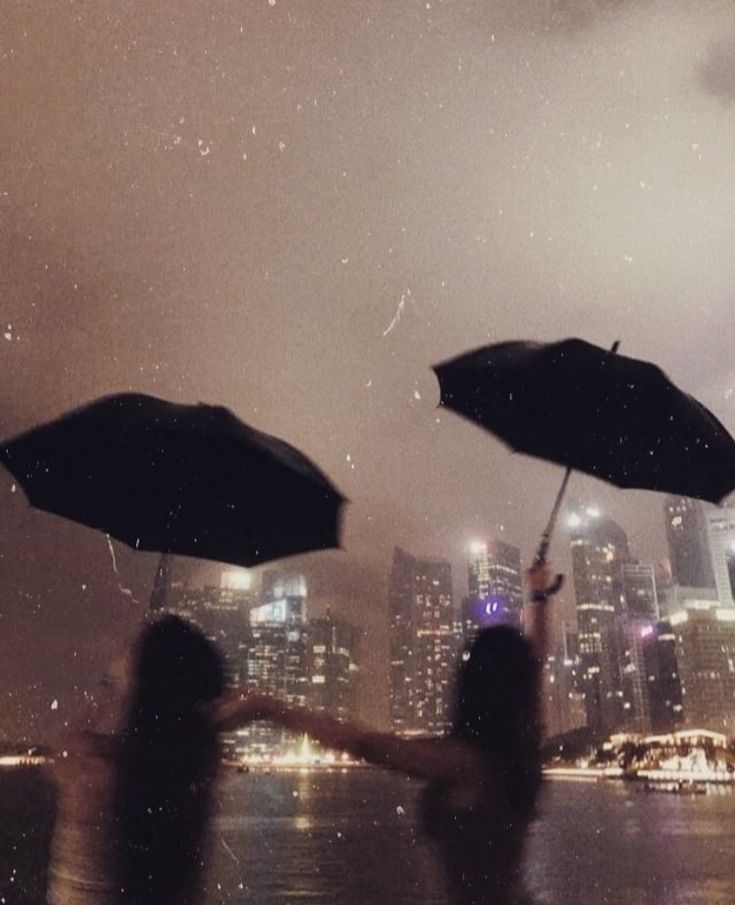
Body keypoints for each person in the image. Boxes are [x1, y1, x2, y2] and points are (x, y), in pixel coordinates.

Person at [219, 562, 560, 905]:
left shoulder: (464, 762)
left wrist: (270, 709)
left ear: (473, 686)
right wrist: (539, 597)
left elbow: (366, 743)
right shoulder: (518, 754)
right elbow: (536, 662)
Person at [46, 615, 225, 905]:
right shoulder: (198, 764)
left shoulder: (93, 773)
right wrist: (269, 708)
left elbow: (62, 751)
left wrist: (110, 689)